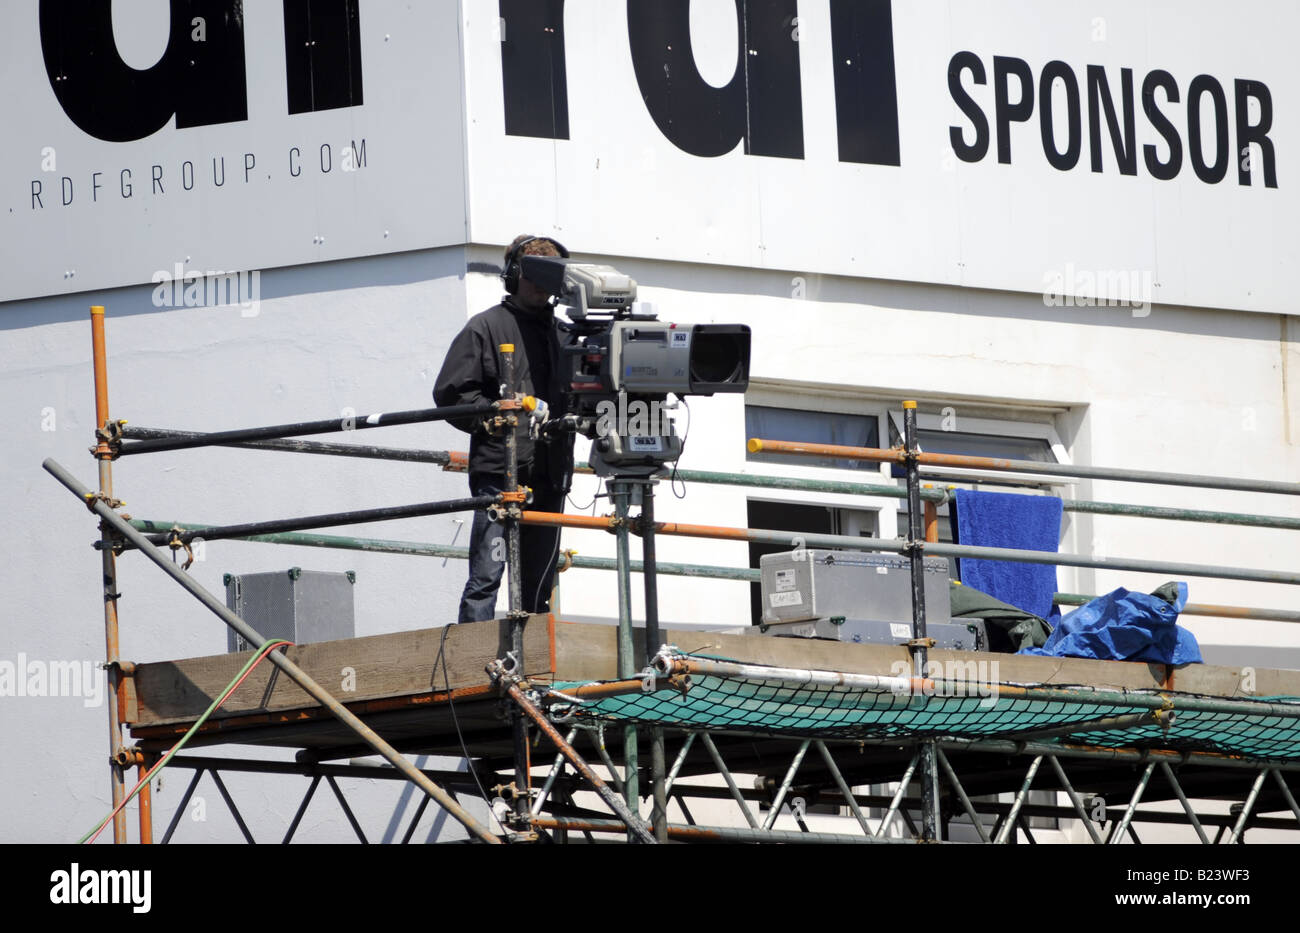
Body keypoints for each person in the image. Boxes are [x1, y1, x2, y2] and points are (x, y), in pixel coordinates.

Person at [434, 235, 575, 622]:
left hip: (550, 476)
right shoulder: (485, 328)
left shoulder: (566, 336)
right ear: (512, 275)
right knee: (486, 577)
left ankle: (531, 671)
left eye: (550, 276)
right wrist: (498, 418)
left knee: (539, 585)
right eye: (532, 274)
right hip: (499, 476)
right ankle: (472, 666)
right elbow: (451, 395)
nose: (540, 285)